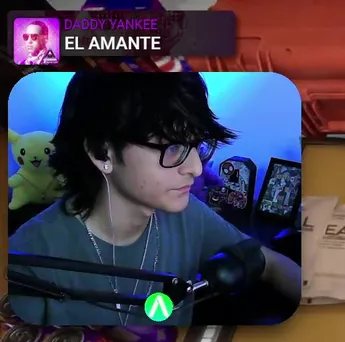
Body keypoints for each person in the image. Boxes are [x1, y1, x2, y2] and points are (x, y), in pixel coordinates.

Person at [8, 72, 302, 326]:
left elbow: (270, 263)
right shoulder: (28, 260)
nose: (196, 168)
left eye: (197, 146)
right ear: (101, 153)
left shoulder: (188, 214)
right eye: (173, 148)